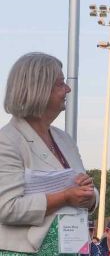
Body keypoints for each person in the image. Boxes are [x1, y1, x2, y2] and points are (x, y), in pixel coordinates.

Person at [0, 52, 98, 254]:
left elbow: (85, 188)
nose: (68, 89)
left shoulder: (65, 140)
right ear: (39, 90)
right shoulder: (7, 141)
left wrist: (89, 196)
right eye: (61, 84)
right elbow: (6, 208)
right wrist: (64, 197)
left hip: (72, 248)